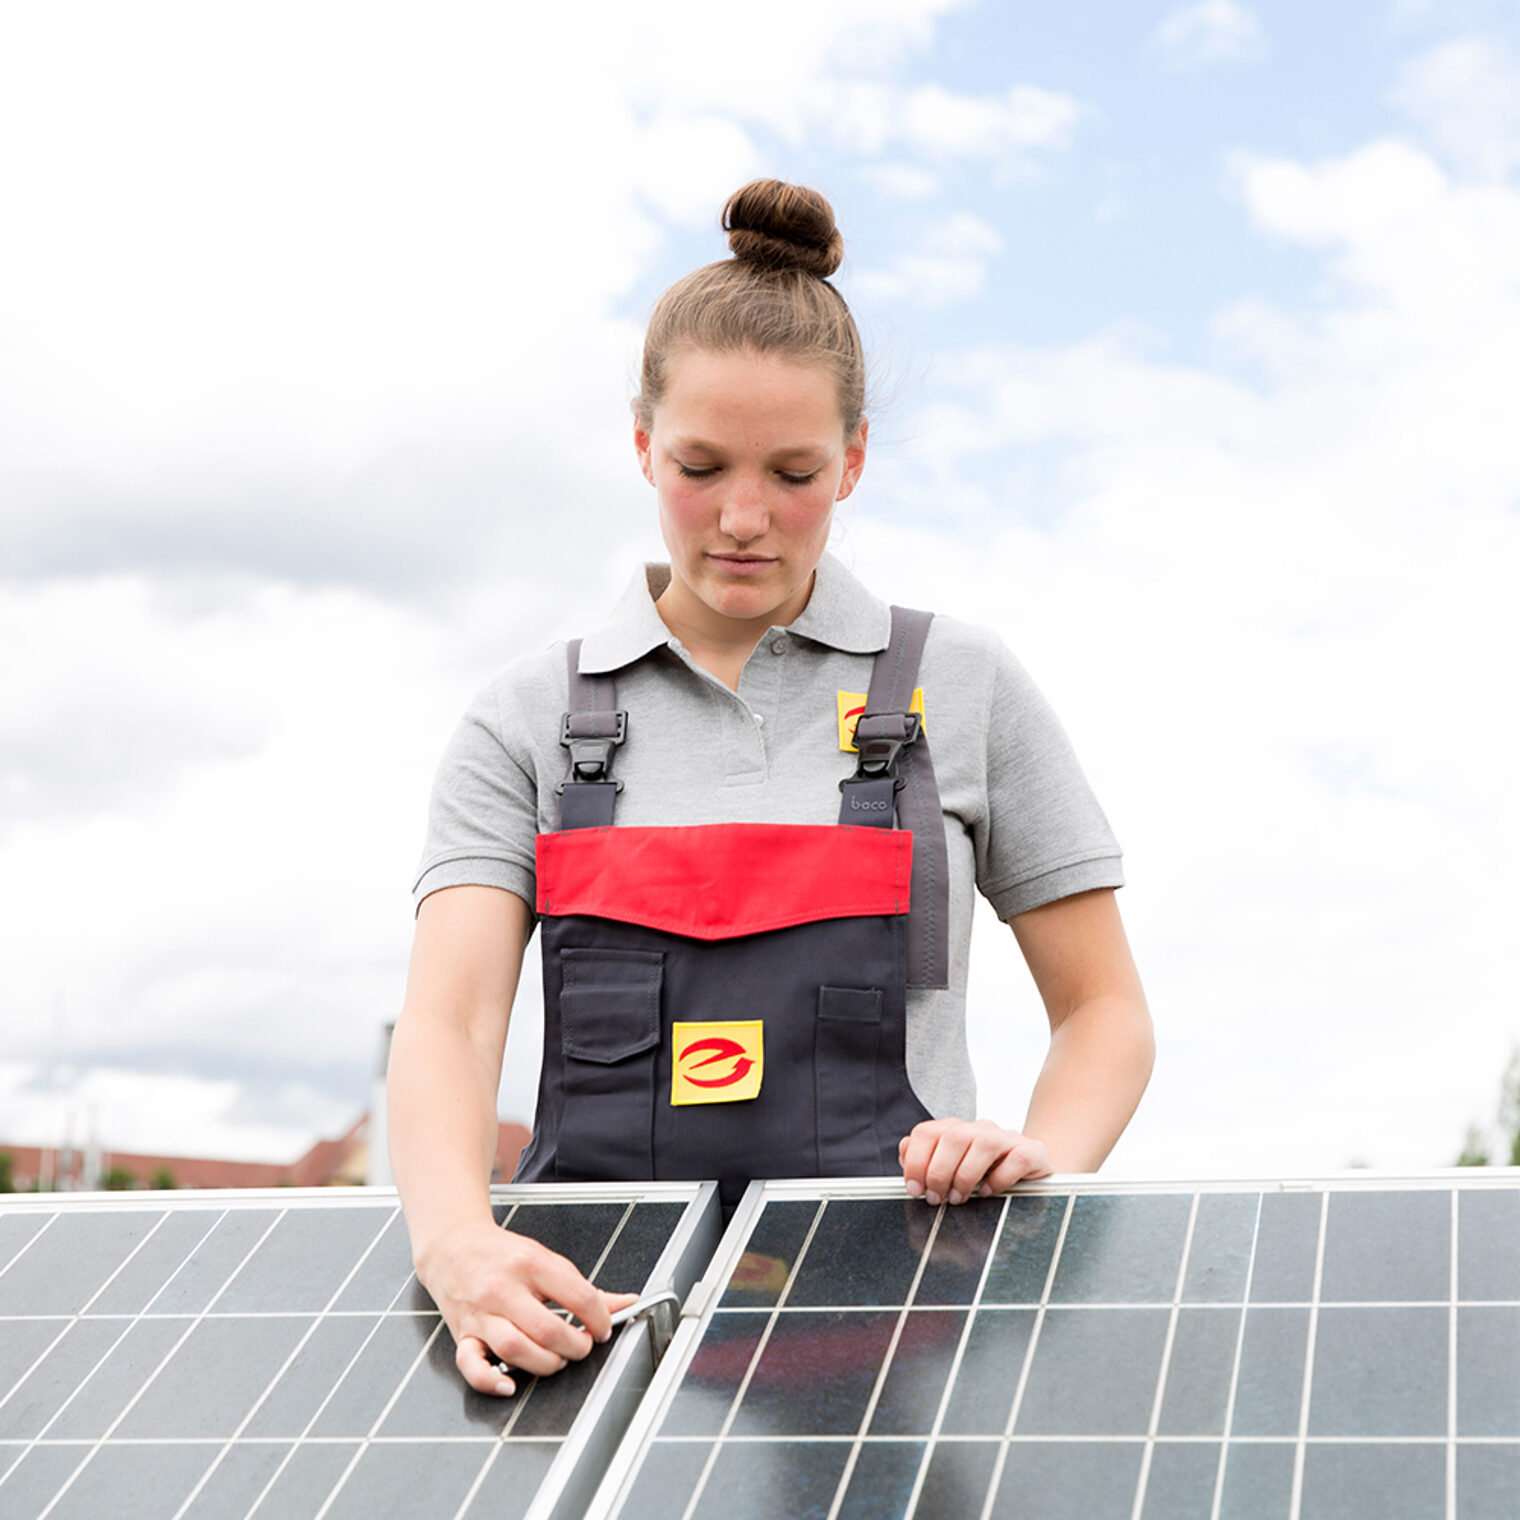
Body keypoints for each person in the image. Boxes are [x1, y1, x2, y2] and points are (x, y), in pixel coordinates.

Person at [388, 179, 1154, 1397]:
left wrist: (1034, 1157)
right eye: (699, 465)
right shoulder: (526, 715)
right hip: (581, 1342)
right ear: (641, 442)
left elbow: (1105, 1010)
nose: (743, 517)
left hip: (890, 1349)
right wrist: (453, 1238)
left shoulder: (963, 683)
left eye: (792, 472)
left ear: (852, 460)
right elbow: (450, 1023)